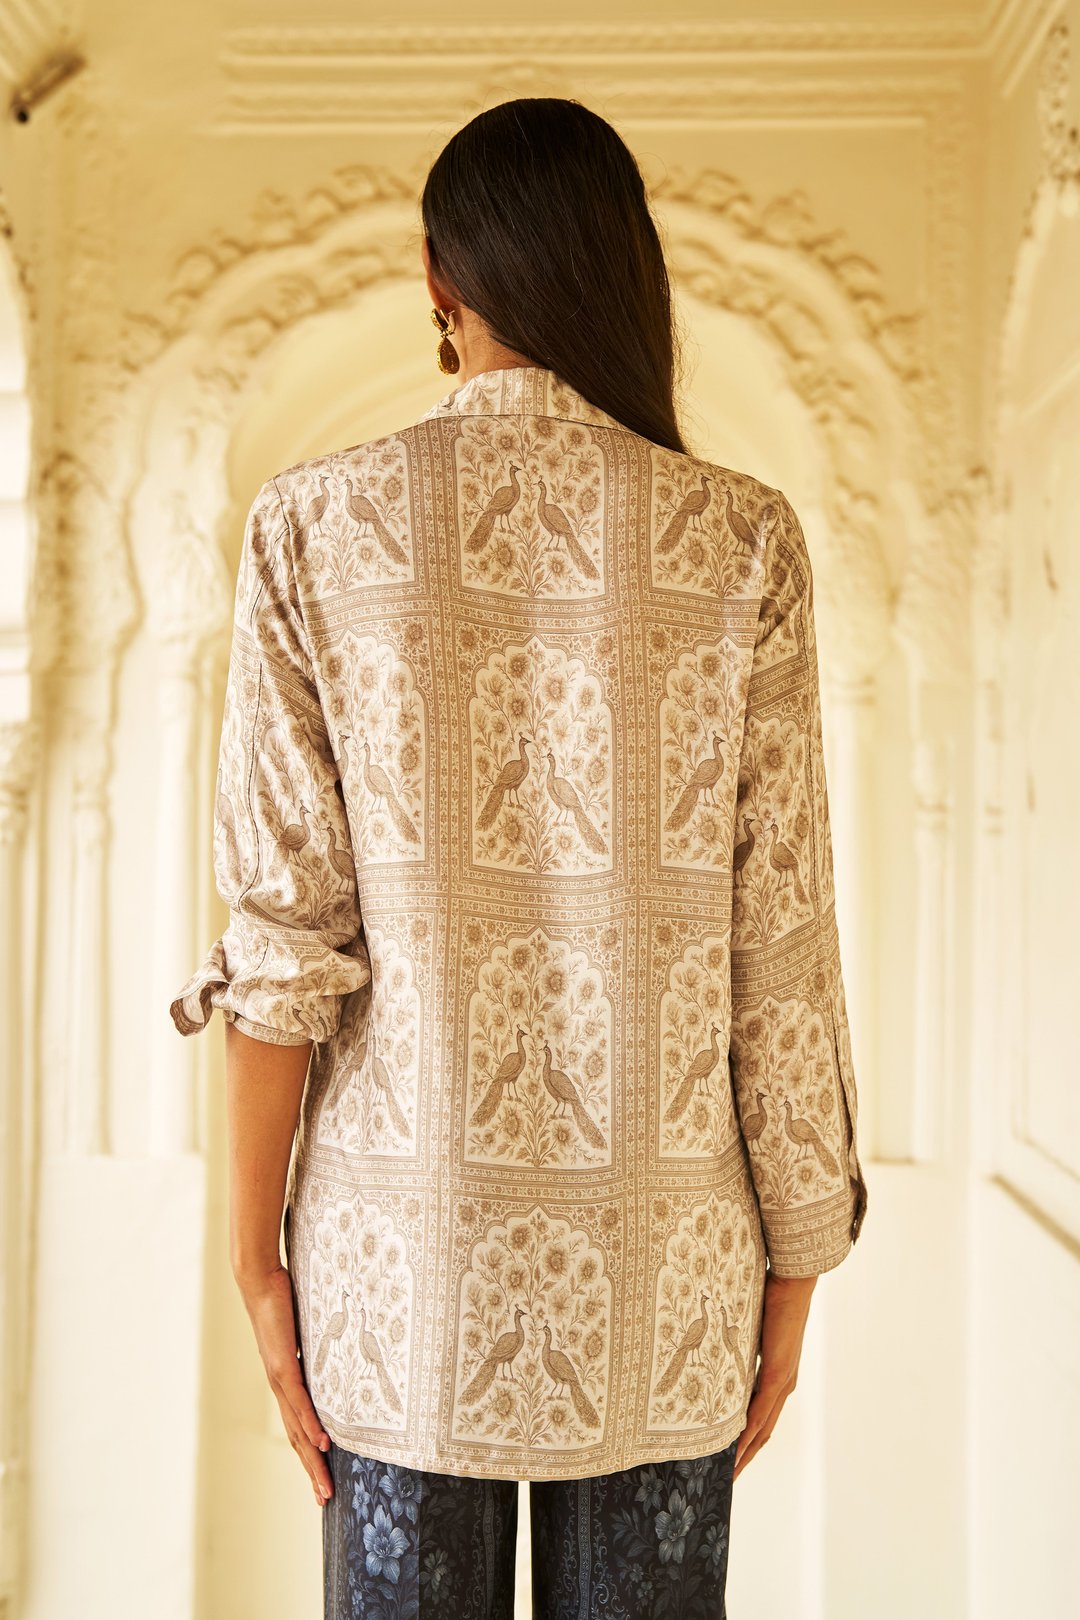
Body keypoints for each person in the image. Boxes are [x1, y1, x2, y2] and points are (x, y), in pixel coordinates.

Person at [170, 96, 868, 1620]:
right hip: (670, 1278)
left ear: (439, 278)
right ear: (626, 269)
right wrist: (798, 1267)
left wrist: (256, 1268)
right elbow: (781, 947)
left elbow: (282, 949)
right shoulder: (744, 541)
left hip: (398, 1284)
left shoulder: (311, 528)